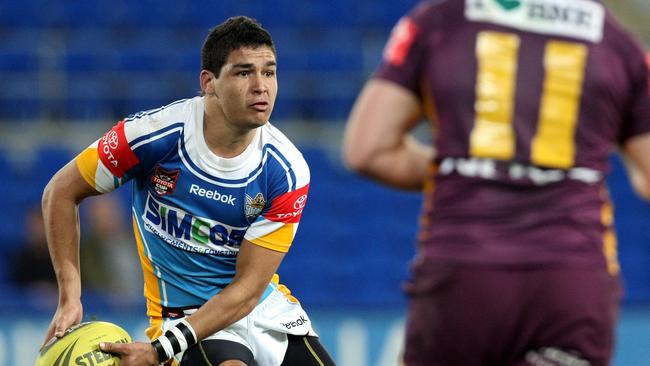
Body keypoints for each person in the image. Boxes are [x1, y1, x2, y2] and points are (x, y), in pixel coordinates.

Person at [343, 0, 650, 365]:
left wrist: (468, 170)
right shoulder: (619, 44)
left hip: (464, 277)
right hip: (574, 279)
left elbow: (369, 149)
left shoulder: (441, 20)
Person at [41, 16, 335, 366]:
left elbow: (247, 290)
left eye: (269, 72)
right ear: (208, 82)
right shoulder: (151, 137)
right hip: (182, 314)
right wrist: (70, 295)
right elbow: (60, 191)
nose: (261, 86)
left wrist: (156, 353)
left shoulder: (286, 169)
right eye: (243, 73)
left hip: (260, 308)